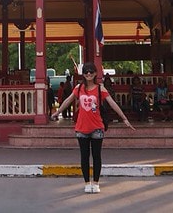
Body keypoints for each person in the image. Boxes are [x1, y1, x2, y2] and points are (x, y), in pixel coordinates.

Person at [50, 62, 134, 194]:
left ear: (95, 73)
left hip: (97, 127)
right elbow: (68, 100)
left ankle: (95, 183)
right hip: (81, 127)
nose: (88, 74)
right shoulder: (78, 88)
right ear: (83, 74)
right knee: (84, 157)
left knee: (96, 156)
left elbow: (112, 103)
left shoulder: (101, 89)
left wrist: (124, 118)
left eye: (91, 71)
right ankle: (86, 183)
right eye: (86, 71)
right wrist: (58, 112)